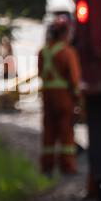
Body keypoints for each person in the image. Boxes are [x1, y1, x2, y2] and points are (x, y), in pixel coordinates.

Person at [38, 14, 82, 175]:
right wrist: (79, 101)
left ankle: (47, 166)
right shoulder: (68, 53)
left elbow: (40, 74)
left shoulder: (43, 52)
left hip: (47, 97)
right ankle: (67, 166)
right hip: (63, 98)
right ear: (65, 33)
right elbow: (74, 79)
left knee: (49, 132)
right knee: (66, 133)